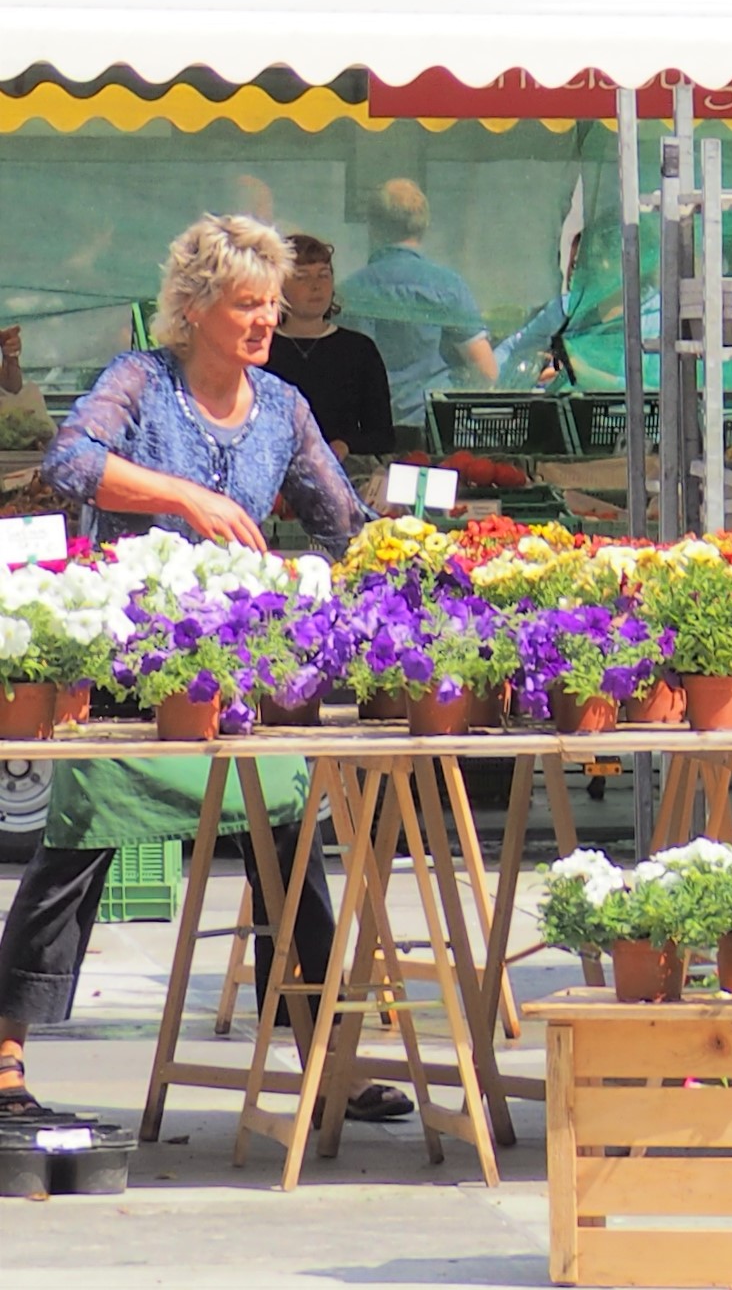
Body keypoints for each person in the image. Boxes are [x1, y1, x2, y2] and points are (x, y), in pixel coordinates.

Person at [0, 219, 405, 1143]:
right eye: (247, 303)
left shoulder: (282, 405)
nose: (266, 318)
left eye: (271, 301)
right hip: (130, 667)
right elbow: (70, 462)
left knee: (291, 848)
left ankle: (323, 1063)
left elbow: (343, 521)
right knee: (77, 845)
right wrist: (182, 495)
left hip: (239, 672)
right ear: (193, 310)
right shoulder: (142, 380)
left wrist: (428, 565)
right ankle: (5, 1052)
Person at [343, 177, 497, 437]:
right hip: (433, 429)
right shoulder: (448, 286)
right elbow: (487, 372)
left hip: (366, 431)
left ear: (373, 227)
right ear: (423, 226)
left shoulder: (346, 292)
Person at [257, 235, 396, 460]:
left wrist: (345, 445)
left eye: (324, 275)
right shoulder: (258, 348)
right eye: (302, 277)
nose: (316, 286)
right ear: (278, 286)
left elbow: (383, 436)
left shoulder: (360, 350)